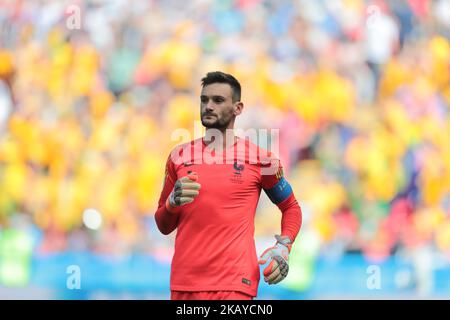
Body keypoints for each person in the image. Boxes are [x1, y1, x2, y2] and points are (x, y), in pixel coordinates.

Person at [154, 71, 302, 300]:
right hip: (185, 284)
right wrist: (172, 203)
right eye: (204, 100)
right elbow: (163, 224)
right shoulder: (179, 156)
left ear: (238, 108)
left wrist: (284, 247)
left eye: (218, 100)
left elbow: (291, 207)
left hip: (235, 285)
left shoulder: (260, 159)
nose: (209, 106)